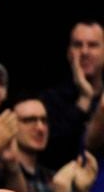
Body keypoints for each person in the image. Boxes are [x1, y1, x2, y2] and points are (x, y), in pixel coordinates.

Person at [42, 21, 104, 169]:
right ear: (69, 52)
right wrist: (84, 99)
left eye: (93, 45)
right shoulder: (51, 99)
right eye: (77, 45)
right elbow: (53, 154)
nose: (84, 52)